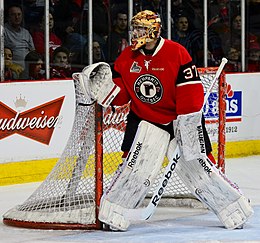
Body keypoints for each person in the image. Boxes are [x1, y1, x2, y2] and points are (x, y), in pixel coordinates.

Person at [110, 9, 215, 167]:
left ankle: (213, 172)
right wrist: (108, 90)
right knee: (129, 161)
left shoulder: (177, 52)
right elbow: (121, 97)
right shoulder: (126, 56)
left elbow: (190, 94)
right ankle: (124, 178)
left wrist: (186, 122)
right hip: (143, 116)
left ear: (153, 30)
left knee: (201, 159)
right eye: (134, 28)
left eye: (140, 28)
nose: (135, 33)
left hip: (178, 118)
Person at [4, 4, 35, 69]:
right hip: (12, 68)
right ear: (8, 17)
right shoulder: (3, 30)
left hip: (28, 67)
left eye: (19, 14)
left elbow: (33, 52)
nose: (17, 17)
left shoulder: (26, 32)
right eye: (13, 14)